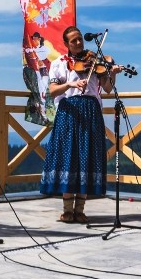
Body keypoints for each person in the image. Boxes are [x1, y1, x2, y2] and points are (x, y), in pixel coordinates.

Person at [39, 26, 122, 223]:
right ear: (66, 44)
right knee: (69, 157)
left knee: (86, 156)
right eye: (73, 41)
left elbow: (108, 89)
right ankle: (67, 210)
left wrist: (114, 73)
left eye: (79, 40)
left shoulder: (95, 61)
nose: (78, 43)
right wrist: (70, 85)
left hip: (91, 112)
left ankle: (80, 210)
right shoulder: (58, 64)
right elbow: (53, 91)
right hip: (68, 112)